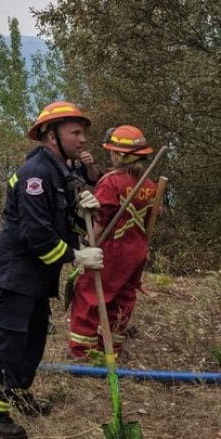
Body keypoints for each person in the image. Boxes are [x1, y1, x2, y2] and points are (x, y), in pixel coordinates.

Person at [0, 101, 105, 439]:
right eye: (76, 132)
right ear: (51, 136)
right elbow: (36, 235)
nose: (83, 139)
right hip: (14, 276)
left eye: (83, 132)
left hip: (35, 279)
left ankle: (15, 392)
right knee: (8, 343)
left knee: (31, 342)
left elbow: (58, 221)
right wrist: (77, 257)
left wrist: (82, 208)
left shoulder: (61, 172)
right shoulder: (36, 175)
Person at [68, 125, 156, 360]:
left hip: (111, 250)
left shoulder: (111, 182)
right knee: (123, 299)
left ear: (120, 155)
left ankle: (84, 352)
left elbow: (101, 219)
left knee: (90, 296)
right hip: (136, 252)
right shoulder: (149, 185)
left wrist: (88, 245)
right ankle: (112, 349)